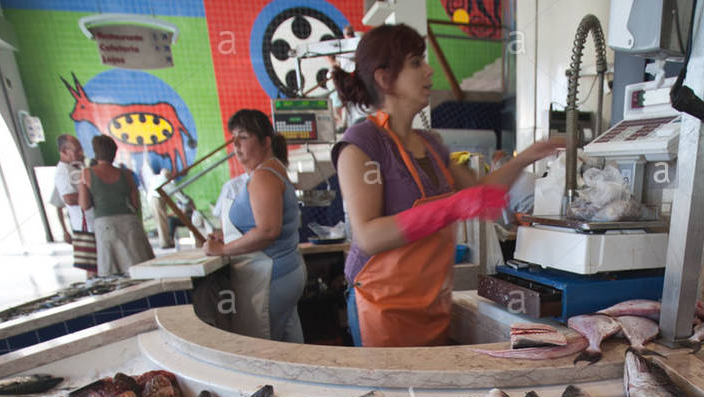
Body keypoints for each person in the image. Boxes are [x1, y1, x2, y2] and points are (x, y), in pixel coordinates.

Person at [332, 23, 561, 347]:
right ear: (384, 78)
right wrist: (450, 207)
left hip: (430, 299)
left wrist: (528, 156)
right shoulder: (363, 142)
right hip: (382, 303)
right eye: (415, 63)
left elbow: (480, 193)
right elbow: (368, 235)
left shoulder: (431, 142)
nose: (429, 71)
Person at [203, 110, 306, 343]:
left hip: (270, 276)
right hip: (283, 272)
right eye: (234, 138)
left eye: (244, 137)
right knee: (287, 343)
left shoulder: (264, 176)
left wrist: (222, 250)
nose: (236, 145)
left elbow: (268, 231)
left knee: (266, 349)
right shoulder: (272, 170)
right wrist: (228, 236)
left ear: (265, 141)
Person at [77, 135, 155, 276]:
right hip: (130, 224)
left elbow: (85, 205)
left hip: (105, 224)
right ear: (114, 152)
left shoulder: (87, 174)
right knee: (141, 268)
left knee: (113, 272)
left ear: (95, 152)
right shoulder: (126, 175)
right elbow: (135, 204)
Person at [54, 133, 97, 276]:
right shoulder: (63, 171)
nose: (81, 153)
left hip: (93, 223)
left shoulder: (77, 167)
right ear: (64, 152)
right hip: (86, 227)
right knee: (93, 268)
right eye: (77, 150)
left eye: (81, 149)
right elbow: (68, 199)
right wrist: (93, 195)